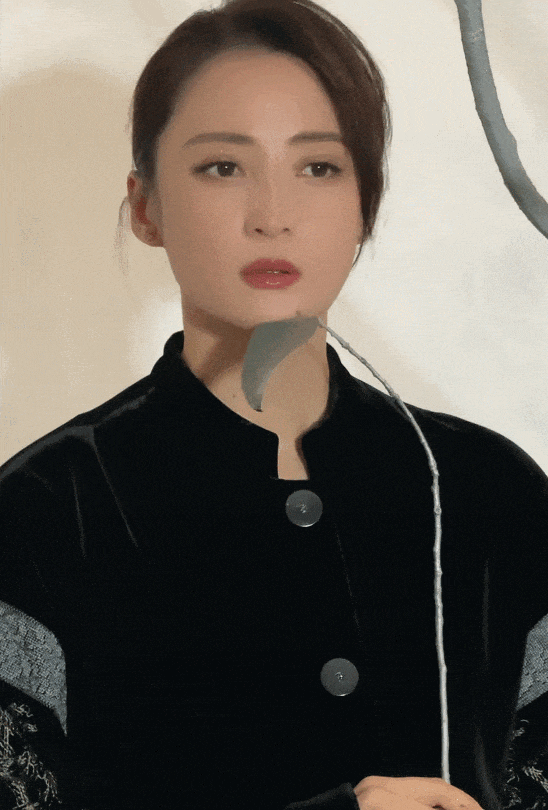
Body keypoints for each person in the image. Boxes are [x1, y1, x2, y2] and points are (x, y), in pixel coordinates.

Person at [1, 0, 548, 808]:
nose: (272, 217)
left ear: (366, 205)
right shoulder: (44, 511)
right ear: (146, 206)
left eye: (318, 168)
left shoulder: (494, 493)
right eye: (223, 167)